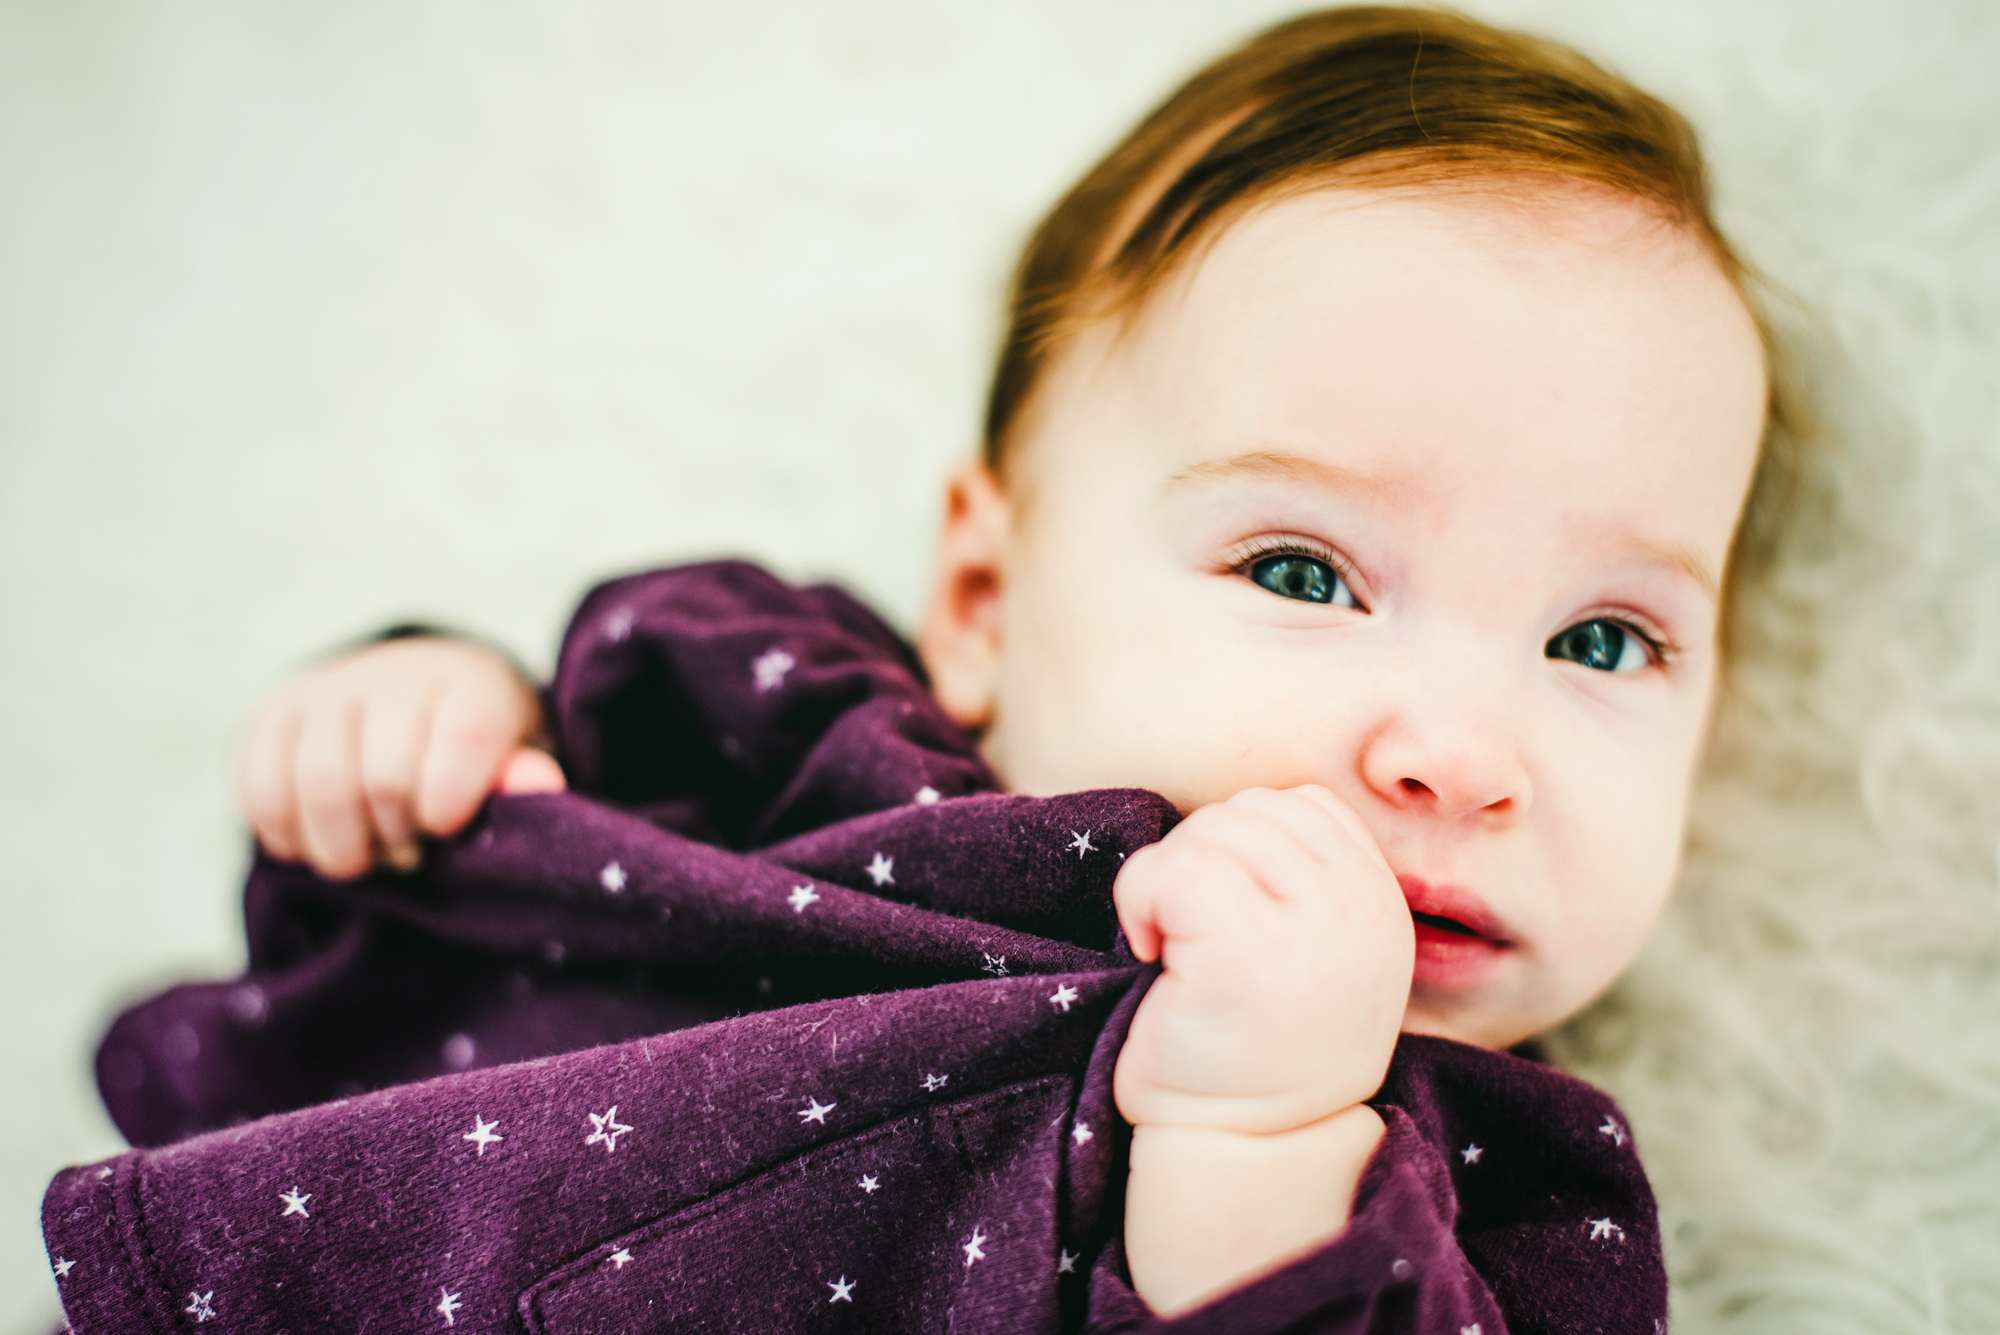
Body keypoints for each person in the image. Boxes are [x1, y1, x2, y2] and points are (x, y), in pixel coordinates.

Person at [47, 7, 1787, 1330]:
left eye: (1601, 640)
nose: (1463, 755)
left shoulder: (1487, 1197)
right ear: (980, 590)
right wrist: (423, 699)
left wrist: (1259, 1137)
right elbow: (543, 791)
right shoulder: (802, 715)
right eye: (1302, 573)